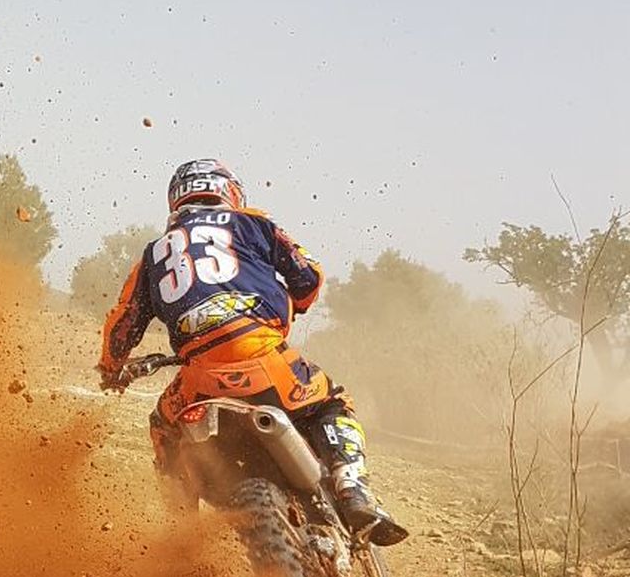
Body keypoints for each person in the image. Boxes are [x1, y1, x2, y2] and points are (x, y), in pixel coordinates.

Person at [99, 158, 408, 546]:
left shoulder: (153, 255)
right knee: (333, 402)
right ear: (229, 191)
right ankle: (351, 485)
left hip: (199, 378)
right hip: (264, 356)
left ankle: (182, 536)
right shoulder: (253, 223)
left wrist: (111, 369)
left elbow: (122, 324)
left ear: (175, 201)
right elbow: (309, 279)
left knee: (163, 427)